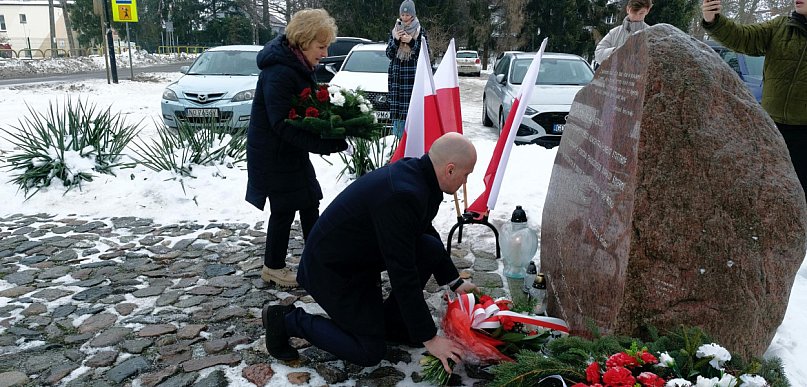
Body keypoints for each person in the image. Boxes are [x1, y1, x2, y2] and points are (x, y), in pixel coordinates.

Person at [262, 132, 478, 372]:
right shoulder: (403, 193)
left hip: (358, 261)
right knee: (369, 351)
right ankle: (287, 320)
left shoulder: (419, 177)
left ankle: (394, 325)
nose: (465, 181)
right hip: (331, 271)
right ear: (450, 170)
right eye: (466, 175)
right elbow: (402, 271)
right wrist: (430, 338)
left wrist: (455, 281)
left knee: (429, 247)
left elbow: (423, 230)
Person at [246, 9, 348, 289]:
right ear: (303, 41)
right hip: (274, 154)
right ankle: (273, 267)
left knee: (309, 201)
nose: (325, 53)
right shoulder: (280, 72)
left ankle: (318, 261)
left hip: (288, 152)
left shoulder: (296, 65)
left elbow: (302, 111)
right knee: (285, 208)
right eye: (321, 46)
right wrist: (323, 144)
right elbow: (282, 123)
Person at [702, 0, 807, 198]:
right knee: (767, 193)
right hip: (770, 129)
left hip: (804, 136)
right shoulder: (780, 26)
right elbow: (743, 37)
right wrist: (713, 20)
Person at [387, 0, 428, 139]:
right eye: (402, 14)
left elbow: (425, 54)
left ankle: (412, 140)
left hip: (412, 76)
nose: (404, 17)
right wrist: (396, 41)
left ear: (413, 15)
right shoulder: (395, 30)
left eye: (407, 15)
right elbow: (389, 54)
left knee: (412, 111)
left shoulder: (420, 31)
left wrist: (411, 42)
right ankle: (397, 141)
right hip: (396, 78)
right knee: (398, 115)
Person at [594, 0, 653, 65]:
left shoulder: (652, 34)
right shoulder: (614, 33)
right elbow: (598, 55)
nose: (637, 16)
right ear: (627, 9)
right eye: (633, 12)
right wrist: (617, 51)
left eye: (641, 13)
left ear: (647, 11)